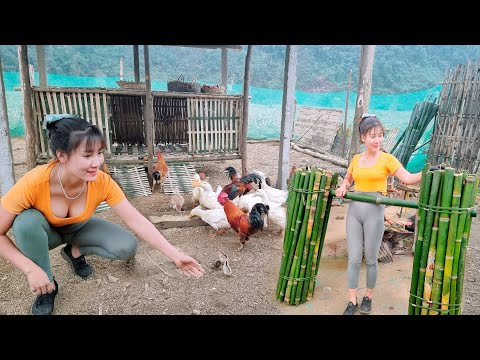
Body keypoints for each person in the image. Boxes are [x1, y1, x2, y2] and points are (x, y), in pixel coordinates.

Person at [0, 115, 205, 315]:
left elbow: (136, 220)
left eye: (99, 153)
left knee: (127, 246)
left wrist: (176, 255)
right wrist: (30, 269)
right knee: (25, 222)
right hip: (44, 235)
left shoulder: (101, 181)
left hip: (78, 229)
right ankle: (47, 284)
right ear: (61, 156)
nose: (97, 162)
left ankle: (74, 252)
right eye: (87, 155)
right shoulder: (34, 182)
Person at [335, 114, 421, 315]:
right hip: (354, 213)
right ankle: (352, 300)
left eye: (381, 135)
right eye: (373, 136)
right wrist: (343, 185)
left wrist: (426, 172)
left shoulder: (387, 159)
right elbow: (348, 179)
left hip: (374, 214)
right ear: (363, 137)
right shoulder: (356, 159)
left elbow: (407, 178)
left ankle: (368, 297)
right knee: (354, 259)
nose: (378, 140)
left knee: (371, 258)